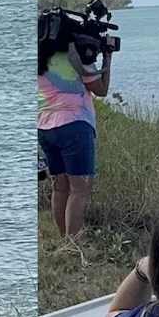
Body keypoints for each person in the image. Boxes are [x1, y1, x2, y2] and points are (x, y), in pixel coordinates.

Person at [37, 39, 112, 238]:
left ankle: (63, 237)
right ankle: (72, 244)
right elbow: (101, 89)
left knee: (59, 186)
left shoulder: (39, 56)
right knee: (79, 189)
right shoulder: (77, 56)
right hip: (74, 124)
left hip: (44, 126)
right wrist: (108, 58)